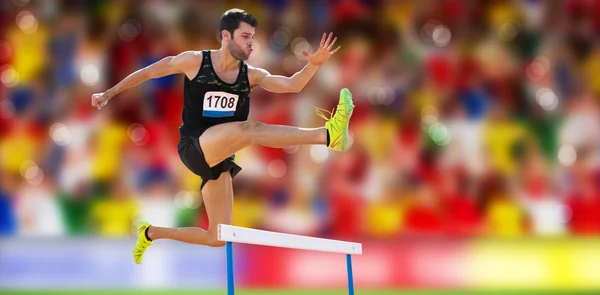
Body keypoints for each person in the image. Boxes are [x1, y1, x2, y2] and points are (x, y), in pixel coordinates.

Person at [91, 8, 354, 264]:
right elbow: (147, 73)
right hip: (194, 146)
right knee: (248, 129)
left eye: (253, 37)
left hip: (219, 159)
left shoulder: (251, 75)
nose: (251, 43)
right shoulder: (194, 61)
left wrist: (313, 66)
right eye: (245, 36)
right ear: (226, 36)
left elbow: (291, 85)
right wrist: (108, 93)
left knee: (217, 236)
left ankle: (150, 233)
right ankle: (328, 135)